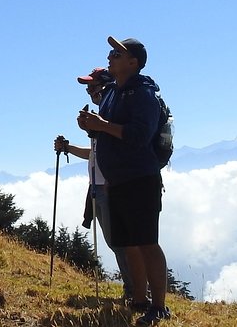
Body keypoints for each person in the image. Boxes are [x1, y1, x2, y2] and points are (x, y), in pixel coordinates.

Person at [78, 37, 170, 325]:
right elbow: (105, 132)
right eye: (110, 53)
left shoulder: (143, 95)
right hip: (117, 179)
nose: (110, 57)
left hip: (140, 178)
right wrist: (91, 126)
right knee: (128, 243)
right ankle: (139, 300)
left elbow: (139, 135)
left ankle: (159, 307)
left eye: (117, 54)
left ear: (133, 62)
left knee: (146, 242)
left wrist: (100, 125)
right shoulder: (112, 94)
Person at [53, 67, 134, 300]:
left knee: (120, 242)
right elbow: (95, 153)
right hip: (99, 187)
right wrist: (67, 148)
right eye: (88, 88)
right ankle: (134, 290)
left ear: (106, 86)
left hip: (109, 187)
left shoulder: (110, 117)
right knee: (115, 242)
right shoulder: (103, 117)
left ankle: (135, 292)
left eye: (93, 87)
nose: (89, 92)